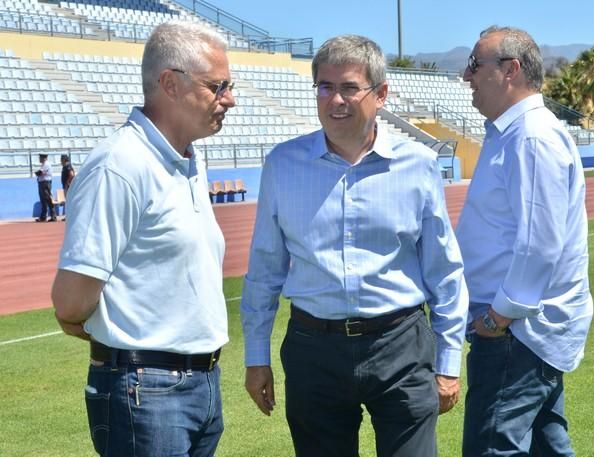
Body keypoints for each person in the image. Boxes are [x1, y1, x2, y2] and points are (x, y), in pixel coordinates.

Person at [241, 34, 468, 457]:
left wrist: (449, 363)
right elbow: (265, 268)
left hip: (400, 345)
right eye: (325, 87)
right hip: (314, 349)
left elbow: (443, 268)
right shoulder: (282, 164)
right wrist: (257, 357)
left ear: (380, 94)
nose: (335, 100)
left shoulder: (417, 165)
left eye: (349, 87)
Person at [51, 20, 236, 457]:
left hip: (196, 384)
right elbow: (72, 301)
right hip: (146, 390)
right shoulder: (121, 165)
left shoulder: (187, 160)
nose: (229, 98)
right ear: (170, 84)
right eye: (218, 85)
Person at [456, 26, 594, 457]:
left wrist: (498, 319)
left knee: (492, 448)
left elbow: (539, 245)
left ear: (510, 70)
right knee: (548, 447)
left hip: (517, 334)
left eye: (476, 65)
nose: (466, 75)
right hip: (525, 333)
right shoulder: (514, 133)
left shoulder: (531, 136)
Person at [34, 153, 56, 222]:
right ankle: (43, 217)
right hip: (42, 183)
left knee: (48, 199)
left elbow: (39, 173)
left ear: (45, 158)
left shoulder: (46, 164)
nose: (40, 159)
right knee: (43, 200)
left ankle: (53, 216)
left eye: (41, 158)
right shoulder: (43, 164)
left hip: (46, 183)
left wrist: (37, 173)